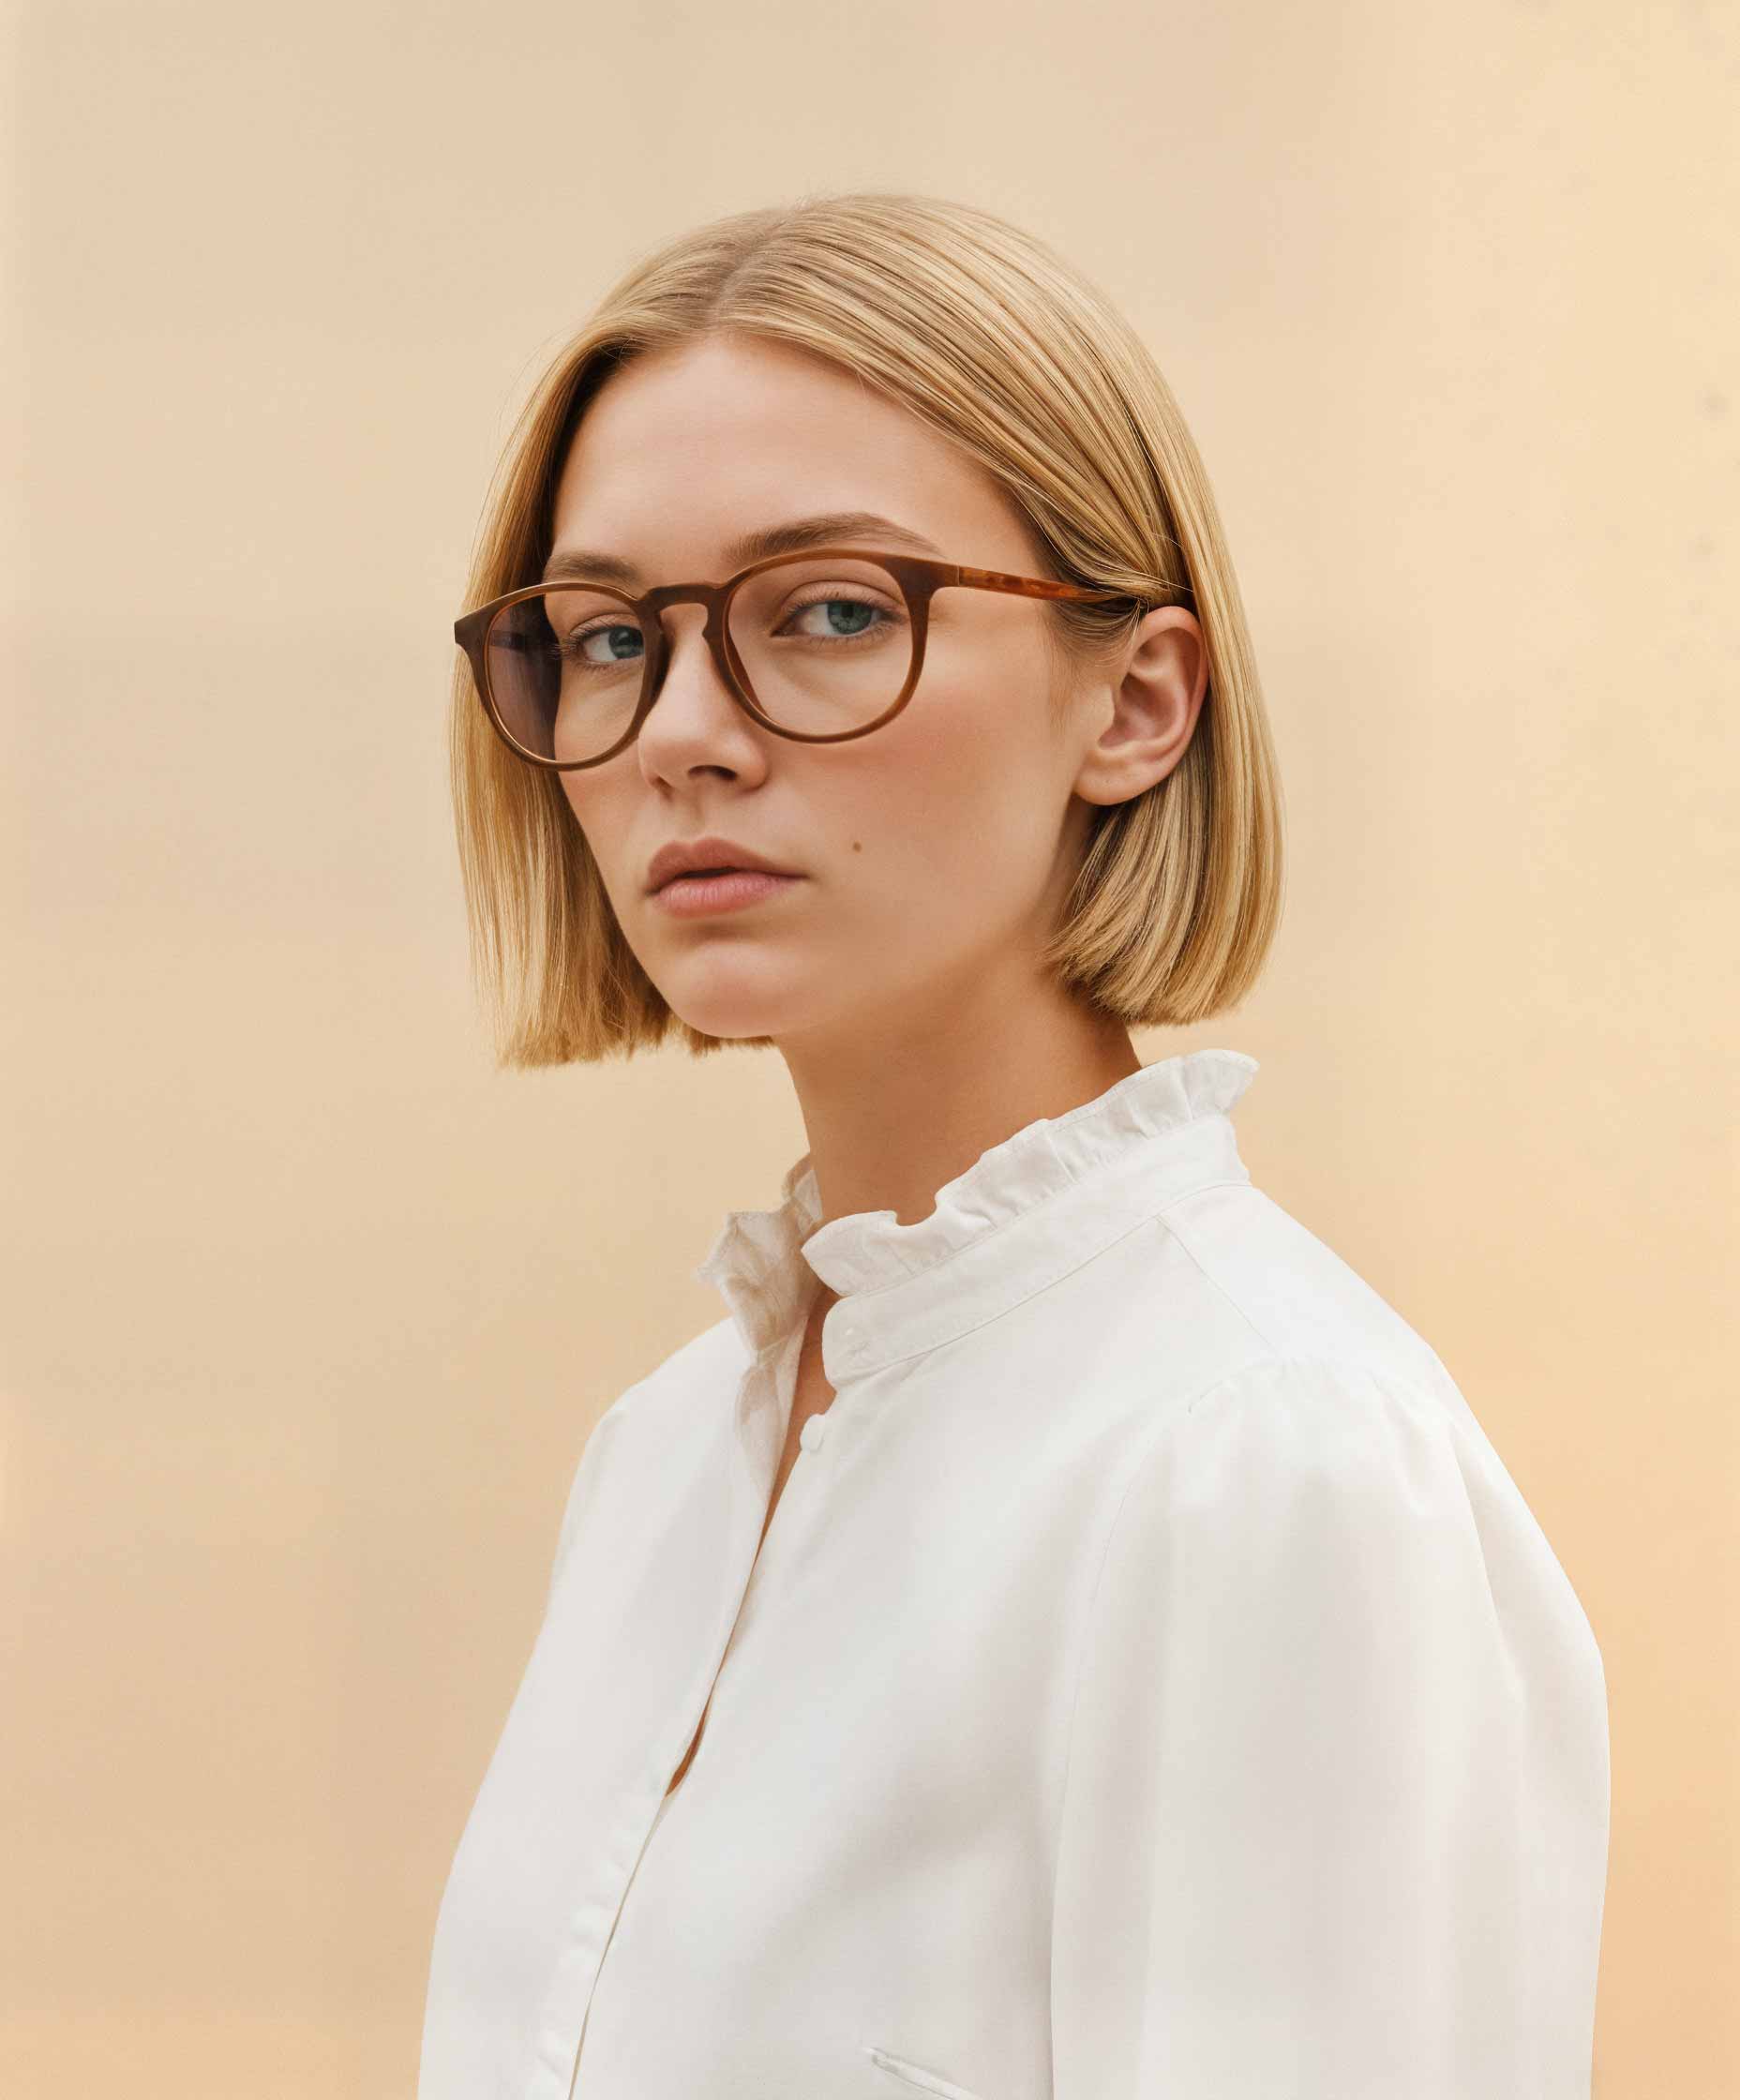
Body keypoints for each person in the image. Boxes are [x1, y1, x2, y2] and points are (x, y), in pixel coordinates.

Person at [422, 191, 1609, 2100]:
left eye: (828, 613)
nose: (685, 732)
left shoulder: (1265, 1466)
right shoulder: (662, 1459)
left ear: (1134, 701)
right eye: (608, 633)